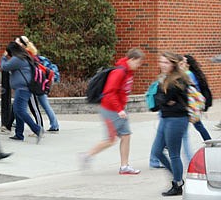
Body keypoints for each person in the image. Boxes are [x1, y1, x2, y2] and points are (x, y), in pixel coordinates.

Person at [79, 48, 144, 175]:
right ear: (132, 60)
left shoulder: (128, 72)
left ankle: (124, 166)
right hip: (110, 109)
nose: (139, 66)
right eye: (138, 63)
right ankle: (86, 156)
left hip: (119, 109)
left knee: (126, 135)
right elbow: (109, 93)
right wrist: (119, 109)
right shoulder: (119, 72)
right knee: (110, 139)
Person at [151, 52, 190, 196]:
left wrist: (164, 100)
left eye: (166, 62)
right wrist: (164, 100)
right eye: (161, 62)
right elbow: (158, 102)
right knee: (156, 151)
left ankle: (177, 184)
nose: (162, 65)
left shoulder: (177, 80)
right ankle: (177, 175)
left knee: (174, 154)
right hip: (166, 118)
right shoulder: (165, 78)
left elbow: (162, 100)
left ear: (173, 64)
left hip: (177, 120)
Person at [1, 41, 44, 143]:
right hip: (23, 88)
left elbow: (5, 67)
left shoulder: (18, 59)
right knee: (17, 110)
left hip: (22, 88)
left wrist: (3, 57)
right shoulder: (24, 57)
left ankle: (37, 129)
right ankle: (19, 134)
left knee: (19, 110)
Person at [18, 36, 60, 132]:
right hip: (41, 81)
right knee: (43, 104)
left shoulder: (27, 54)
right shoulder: (33, 53)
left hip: (37, 83)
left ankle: (48, 126)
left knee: (38, 105)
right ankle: (54, 124)